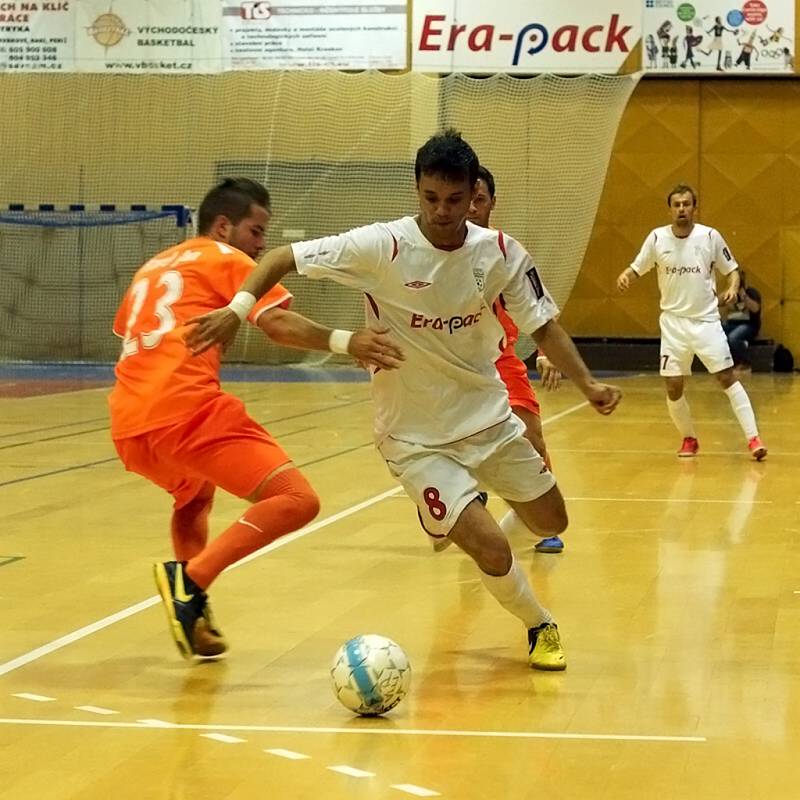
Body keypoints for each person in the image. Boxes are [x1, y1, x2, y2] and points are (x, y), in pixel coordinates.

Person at [187, 131, 623, 672]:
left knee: (551, 522)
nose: (441, 212)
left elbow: (546, 326)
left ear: (474, 197)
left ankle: (453, 513)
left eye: (454, 200)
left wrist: (589, 385)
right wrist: (236, 310)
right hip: (412, 437)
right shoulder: (381, 246)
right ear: (418, 191)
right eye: (430, 198)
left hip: (488, 419)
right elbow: (280, 257)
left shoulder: (502, 254)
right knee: (491, 549)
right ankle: (539, 624)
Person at [109, 177, 404, 660]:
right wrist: (347, 340)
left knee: (194, 495)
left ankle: (195, 615)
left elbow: (131, 332)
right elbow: (279, 325)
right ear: (223, 226)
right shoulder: (225, 258)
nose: (261, 245)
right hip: (187, 409)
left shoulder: (153, 266)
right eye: (256, 230)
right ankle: (191, 583)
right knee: (297, 499)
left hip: (129, 424)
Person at [616, 184, 767, 461]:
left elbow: (732, 269)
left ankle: (753, 438)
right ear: (670, 209)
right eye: (677, 204)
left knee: (726, 377)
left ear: (694, 208)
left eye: (687, 204)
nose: (682, 209)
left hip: (706, 322)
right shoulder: (657, 238)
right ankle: (689, 438)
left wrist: (733, 287)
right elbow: (638, 266)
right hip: (673, 325)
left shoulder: (710, 237)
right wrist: (627, 275)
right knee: (673, 386)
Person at [466, 165, 564, 554]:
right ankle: (469, 493)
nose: (472, 208)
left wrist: (546, 352)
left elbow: (541, 310)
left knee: (532, 437)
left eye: (480, 200)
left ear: (492, 203)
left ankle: (541, 523)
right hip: (452, 365)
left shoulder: (504, 252)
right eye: (466, 199)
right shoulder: (433, 251)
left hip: (501, 359)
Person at [722, 269, 762, 369]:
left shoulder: (751, 292)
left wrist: (744, 296)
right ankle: (725, 364)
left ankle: (744, 363)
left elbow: (756, 308)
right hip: (732, 323)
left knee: (733, 338)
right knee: (718, 333)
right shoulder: (730, 293)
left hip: (749, 325)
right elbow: (722, 306)